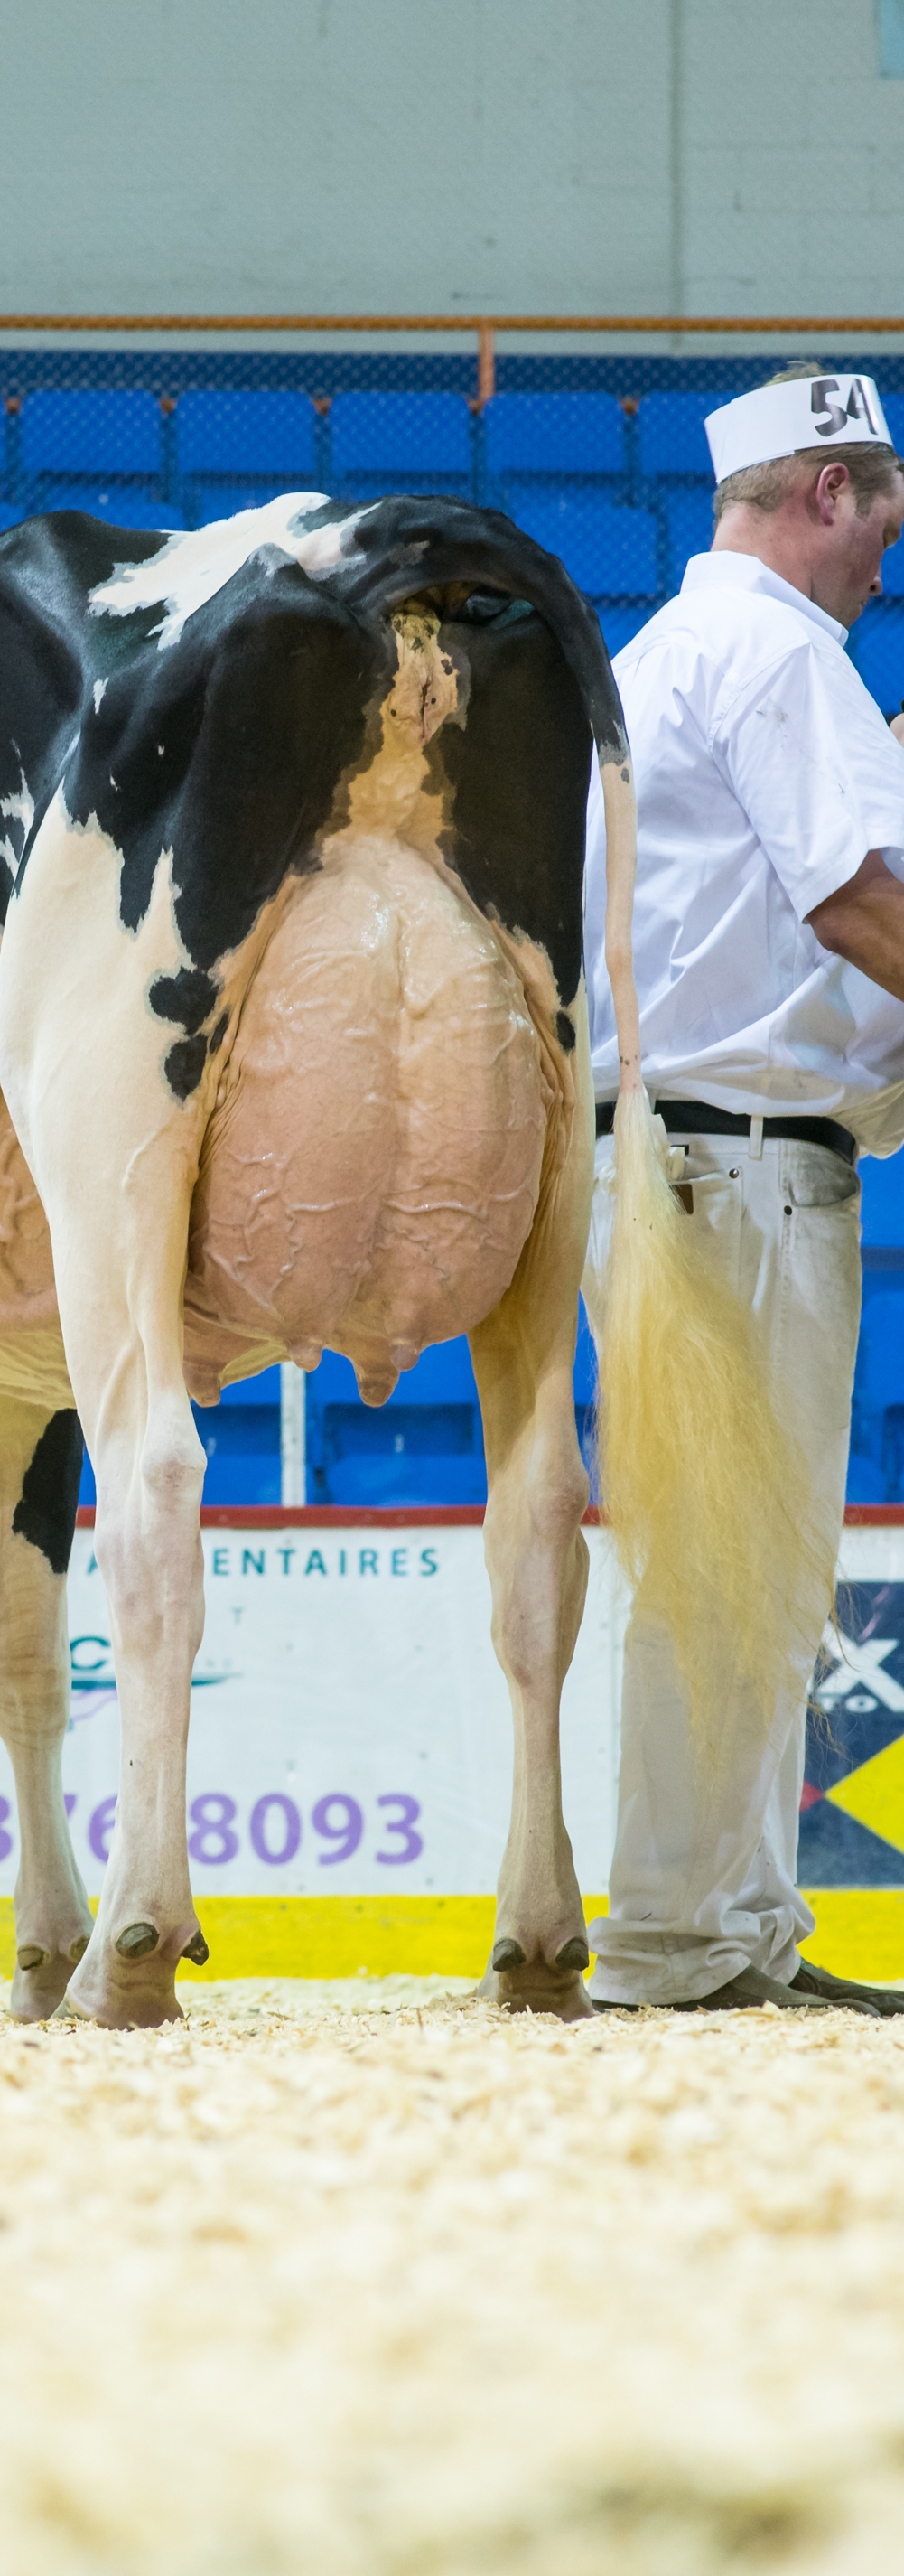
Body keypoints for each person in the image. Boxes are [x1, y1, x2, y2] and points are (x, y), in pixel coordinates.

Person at [584, 364, 904, 2015]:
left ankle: (730, 1925)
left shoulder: (658, 653)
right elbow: (854, 901)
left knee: (733, 1559)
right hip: (746, 1165)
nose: (882, 570)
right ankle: (681, 1937)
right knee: (734, 1565)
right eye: (881, 529)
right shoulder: (783, 655)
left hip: (676, 1150)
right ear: (829, 491)